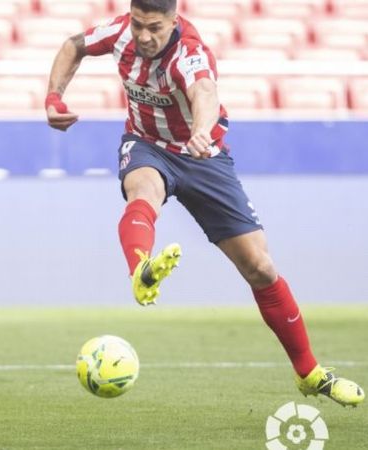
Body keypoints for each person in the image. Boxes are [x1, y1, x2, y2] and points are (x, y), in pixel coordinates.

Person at [45, 0, 363, 407]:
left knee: (261, 268)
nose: (144, 36)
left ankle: (310, 373)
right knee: (144, 191)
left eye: (155, 27)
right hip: (146, 144)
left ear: (174, 20)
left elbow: (205, 91)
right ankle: (141, 267)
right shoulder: (120, 32)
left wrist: (200, 130)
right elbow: (74, 44)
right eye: (139, 24)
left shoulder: (190, 53)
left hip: (203, 156)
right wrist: (54, 96)